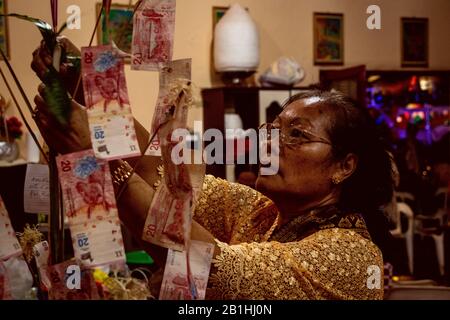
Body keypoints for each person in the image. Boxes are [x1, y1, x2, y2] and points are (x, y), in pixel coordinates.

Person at [31, 38, 394, 300]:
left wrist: (97, 157)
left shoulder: (350, 256)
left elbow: (207, 270)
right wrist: (90, 82)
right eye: (273, 129)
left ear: (344, 166)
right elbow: (158, 169)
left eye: (296, 135)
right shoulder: (260, 212)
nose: (269, 142)